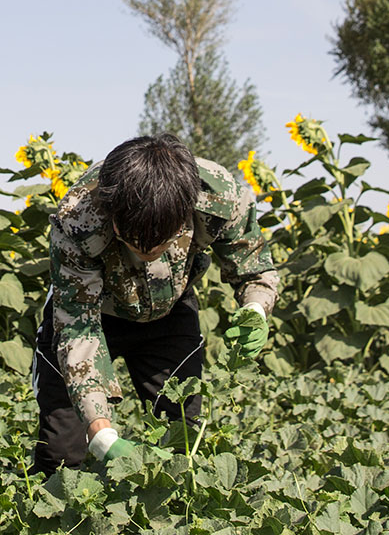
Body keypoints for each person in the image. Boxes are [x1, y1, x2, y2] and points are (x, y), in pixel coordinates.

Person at [30, 133, 281, 474]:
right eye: (131, 240)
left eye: (160, 242)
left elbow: (253, 266)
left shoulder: (221, 197)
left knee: (183, 438)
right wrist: (100, 433)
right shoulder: (77, 216)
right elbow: (77, 324)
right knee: (62, 451)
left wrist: (255, 310)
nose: (145, 252)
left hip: (169, 309)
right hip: (92, 313)